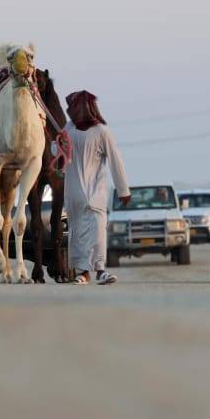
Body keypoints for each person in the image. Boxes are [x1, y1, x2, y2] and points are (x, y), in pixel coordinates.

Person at [63, 90, 130, 285]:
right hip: (74, 193)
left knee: (98, 232)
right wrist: (58, 142)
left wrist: (123, 190)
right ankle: (82, 273)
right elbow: (55, 151)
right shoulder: (68, 130)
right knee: (77, 233)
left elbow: (115, 160)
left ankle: (101, 271)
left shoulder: (102, 131)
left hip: (96, 193)